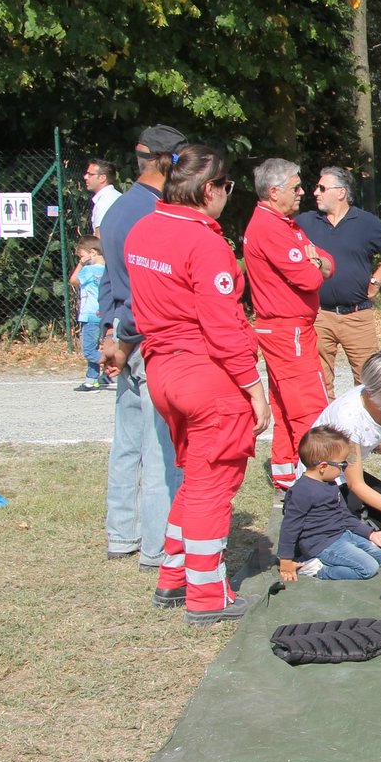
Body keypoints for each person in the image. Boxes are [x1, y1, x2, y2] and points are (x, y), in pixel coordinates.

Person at [126, 145, 267, 626]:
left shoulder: (144, 229)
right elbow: (223, 324)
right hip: (206, 374)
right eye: (227, 187)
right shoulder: (204, 243)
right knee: (213, 484)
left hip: (162, 369)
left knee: (194, 476)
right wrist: (254, 388)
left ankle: (175, 573)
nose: (228, 196)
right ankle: (207, 594)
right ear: (209, 189)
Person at [98, 124, 186, 568]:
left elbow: (109, 286)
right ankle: (156, 547)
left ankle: (121, 534)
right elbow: (141, 289)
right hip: (145, 340)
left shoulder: (116, 208)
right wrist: (127, 340)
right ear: (168, 162)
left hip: (124, 339)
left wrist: (109, 339)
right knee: (160, 449)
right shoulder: (152, 214)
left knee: (127, 443)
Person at [243, 158, 334, 491]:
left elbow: (326, 261)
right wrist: (317, 265)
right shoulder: (270, 227)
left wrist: (319, 262)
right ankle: (319, 478)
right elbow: (309, 277)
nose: (302, 192)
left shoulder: (283, 224)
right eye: (295, 187)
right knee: (309, 405)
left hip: (287, 327)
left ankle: (286, 473)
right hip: (288, 329)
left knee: (284, 404)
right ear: (273, 192)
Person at [296, 165, 381, 391]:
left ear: (341, 192)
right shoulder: (306, 222)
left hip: (357, 317)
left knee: (368, 382)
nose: (315, 192)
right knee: (320, 383)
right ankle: (325, 426)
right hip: (319, 316)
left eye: (321, 187)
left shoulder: (365, 222)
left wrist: (376, 280)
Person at [277, 426, 381, 582]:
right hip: (322, 544)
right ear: (323, 467)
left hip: (343, 535)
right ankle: (317, 569)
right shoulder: (302, 492)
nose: (344, 470)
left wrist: (370, 533)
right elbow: (290, 527)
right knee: (368, 569)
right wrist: (285, 560)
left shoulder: (330, 483)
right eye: (342, 465)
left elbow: (344, 515)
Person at [310, 348, 381, 530]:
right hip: (325, 480)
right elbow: (355, 484)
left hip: (348, 476)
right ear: (371, 394)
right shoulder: (347, 418)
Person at [69, 236, 107, 391]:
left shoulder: (89, 270)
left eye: (82, 256)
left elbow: (73, 280)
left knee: (89, 350)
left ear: (92, 253)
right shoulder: (107, 270)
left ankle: (114, 363)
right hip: (103, 314)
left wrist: (80, 264)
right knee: (95, 346)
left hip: (90, 315)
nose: (81, 259)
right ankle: (91, 381)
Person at [84, 158, 121, 236]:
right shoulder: (118, 196)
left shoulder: (103, 203)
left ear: (102, 178)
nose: (85, 177)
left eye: (90, 174)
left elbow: (100, 238)